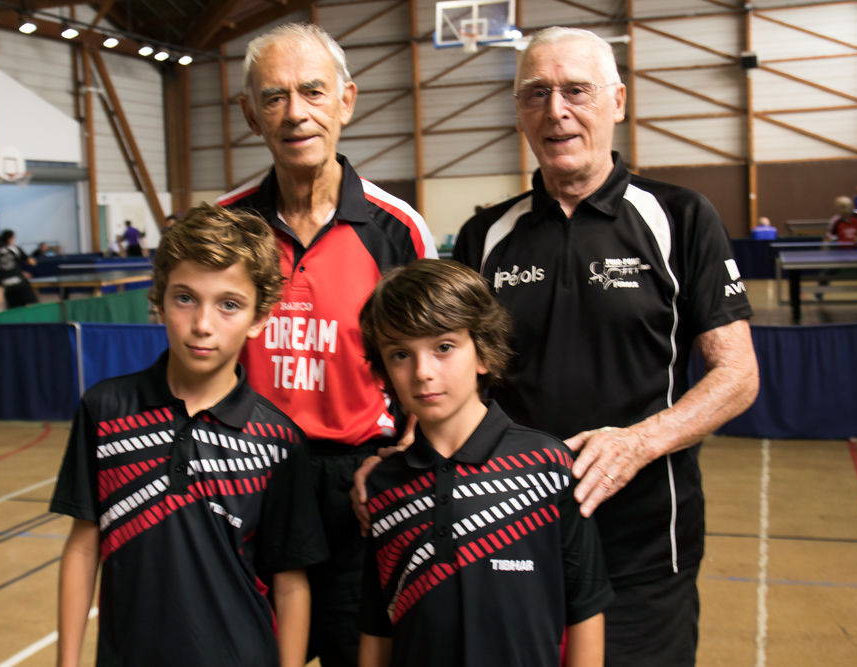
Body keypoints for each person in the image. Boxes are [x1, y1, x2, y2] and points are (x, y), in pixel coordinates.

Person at [352, 26, 759, 666]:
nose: (556, 110)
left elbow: (736, 375)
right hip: (507, 539)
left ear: (617, 101)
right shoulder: (487, 234)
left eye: (576, 90)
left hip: (644, 546)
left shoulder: (679, 217)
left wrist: (638, 442)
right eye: (536, 93)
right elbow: (452, 364)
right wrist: (407, 444)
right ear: (519, 112)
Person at [215, 22, 437, 667]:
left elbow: (433, 366)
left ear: (346, 100)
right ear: (250, 114)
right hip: (248, 480)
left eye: (312, 91)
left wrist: (403, 455)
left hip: (358, 488)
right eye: (274, 96)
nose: (295, 113)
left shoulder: (399, 230)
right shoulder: (224, 227)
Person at [50, 204, 328, 667]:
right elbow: (83, 546)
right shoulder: (104, 410)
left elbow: (290, 583)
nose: (202, 324)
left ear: (259, 318)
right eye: (185, 298)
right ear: (159, 302)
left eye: (229, 305)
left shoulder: (279, 440)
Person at [356, 259, 613, 667]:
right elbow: (377, 627)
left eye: (444, 347)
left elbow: (585, 609)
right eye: (401, 354)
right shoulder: (382, 487)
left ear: (483, 353)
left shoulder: (549, 468)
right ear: (383, 372)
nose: (422, 372)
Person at [0, 230, 38, 309]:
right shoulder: (15, 249)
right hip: (19, 283)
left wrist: (21, 272)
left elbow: (1, 267)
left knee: (14, 310)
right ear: (10, 239)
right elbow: (31, 262)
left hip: (6, 285)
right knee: (34, 306)